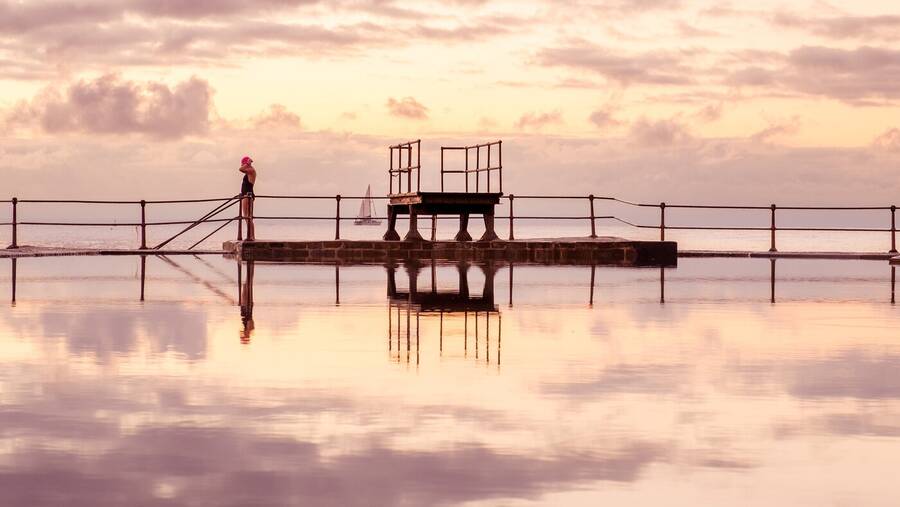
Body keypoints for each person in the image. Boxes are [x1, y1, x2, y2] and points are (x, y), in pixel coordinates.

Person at [239, 156, 256, 240]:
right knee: (247, 216)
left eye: (243, 164)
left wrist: (247, 163)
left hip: (247, 195)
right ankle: (251, 236)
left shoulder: (251, 170)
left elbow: (240, 169)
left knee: (247, 216)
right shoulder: (249, 171)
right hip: (246, 195)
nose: (243, 165)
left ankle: (251, 236)